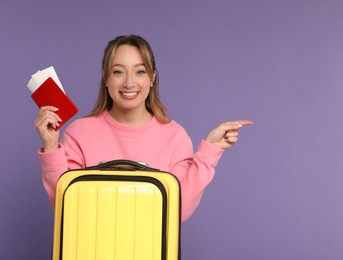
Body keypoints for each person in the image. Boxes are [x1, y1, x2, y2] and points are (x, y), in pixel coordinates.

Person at [34, 35, 253, 222]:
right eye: (118, 72)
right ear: (105, 78)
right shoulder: (79, 132)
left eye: (139, 72)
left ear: (152, 78)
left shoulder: (174, 136)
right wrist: (52, 147)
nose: (129, 83)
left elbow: (178, 209)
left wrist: (208, 153)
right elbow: (65, 206)